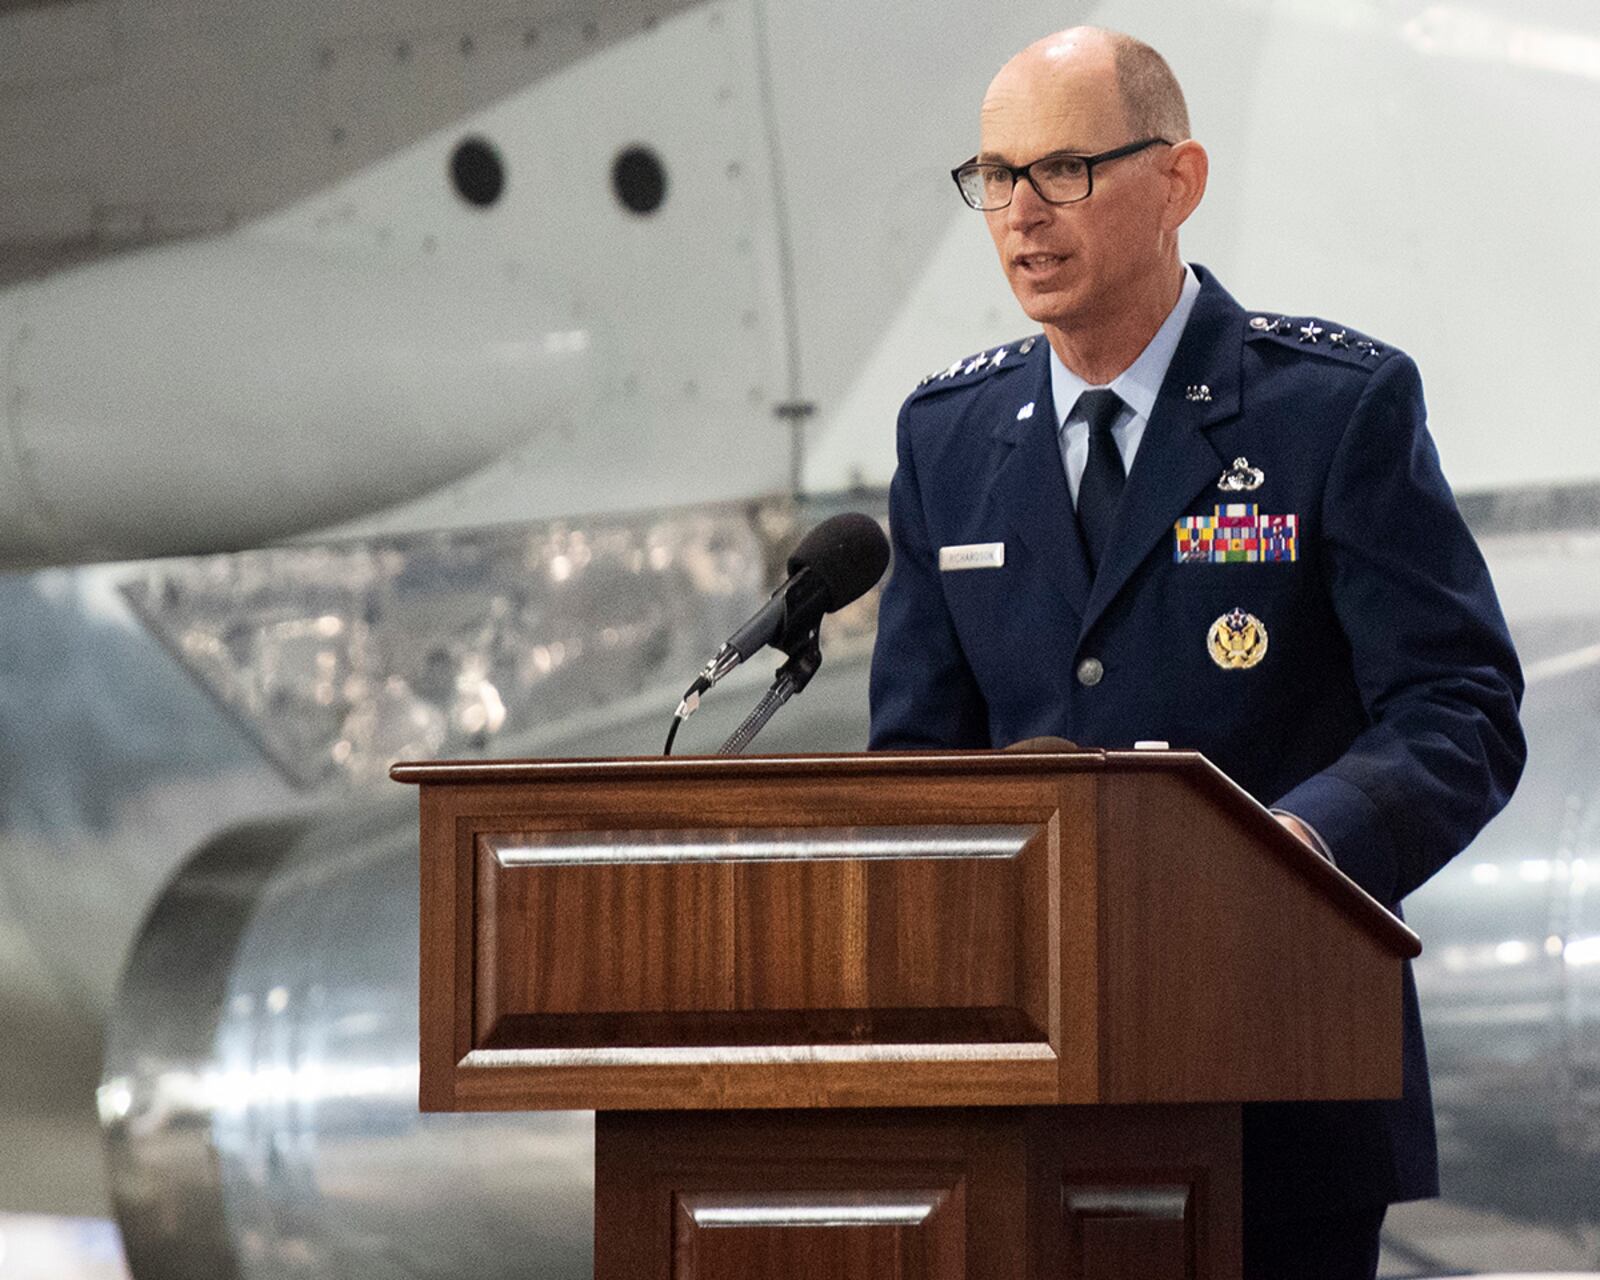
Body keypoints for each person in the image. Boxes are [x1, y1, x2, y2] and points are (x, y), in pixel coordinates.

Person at [867, 26, 1526, 1280]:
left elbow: (1459, 707)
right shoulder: (948, 438)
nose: (1020, 213)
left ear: (1177, 181)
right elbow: (916, 765)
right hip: (1029, 1110)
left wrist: (1305, 847)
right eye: (995, 176)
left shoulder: (1331, 409)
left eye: (1063, 169)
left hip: (1282, 1088)